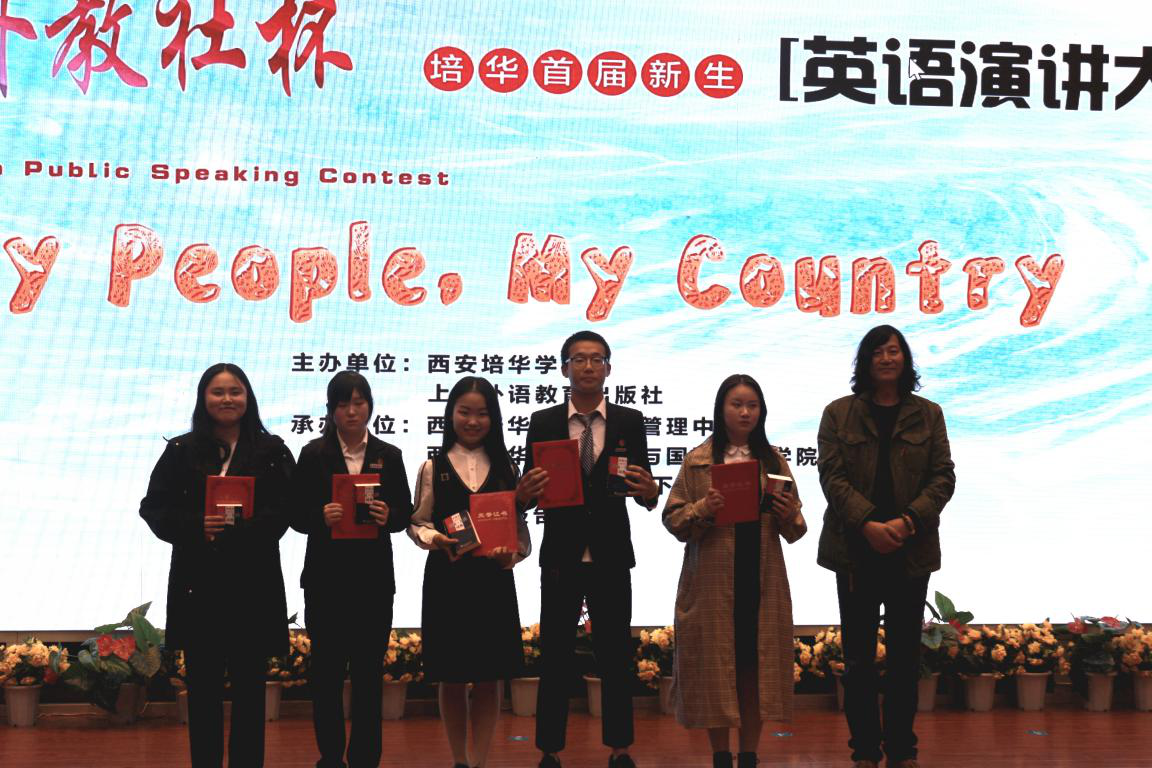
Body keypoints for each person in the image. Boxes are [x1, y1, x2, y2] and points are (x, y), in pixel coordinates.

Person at [140, 363, 295, 768]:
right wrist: (197, 526)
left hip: (253, 585)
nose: (227, 399)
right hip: (200, 587)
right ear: (203, 398)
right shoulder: (181, 450)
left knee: (250, 694)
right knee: (203, 693)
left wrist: (242, 530)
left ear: (248, 398)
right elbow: (153, 508)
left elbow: (287, 511)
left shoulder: (272, 450)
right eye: (218, 392)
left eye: (235, 391)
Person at [816, 325, 955, 768]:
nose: (887, 358)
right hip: (855, 552)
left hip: (909, 552)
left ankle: (901, 750)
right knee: (858, 661)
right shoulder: (838, 414)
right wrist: (868, 524)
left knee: (904, 660)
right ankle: (863, 752)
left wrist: (907, 520)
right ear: (865, 361)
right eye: (878, 352)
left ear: (905, 359)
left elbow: (943, 477)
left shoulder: (928, 414)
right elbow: (831, 477)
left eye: (894, 351)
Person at [521, 330, 661, 768]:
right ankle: (549, 750)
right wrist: (524, 493)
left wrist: (651, 491)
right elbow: (528, 490)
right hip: (560, 555)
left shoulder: (629, 421)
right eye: (578, 359)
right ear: (564, 368)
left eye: (596, 359)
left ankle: (620, 748)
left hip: (611, 553)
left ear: (608, 368)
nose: (587, 366)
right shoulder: (543, 421)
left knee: (616, 653)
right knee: (555, 655)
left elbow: (644, 488)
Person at [662, 374, 806, 768]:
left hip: (760, 581)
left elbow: (797, 530)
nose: (745, 412)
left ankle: (750, 755)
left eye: (752, 406)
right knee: (715, 671)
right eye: (736, 404)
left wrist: (789, 514)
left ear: (762, 412)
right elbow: (673, 520)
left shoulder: (773, 461)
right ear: (720, 409)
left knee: (754, 671)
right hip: (711, 582)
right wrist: (703, 509)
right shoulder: (698, 461)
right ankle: (721, 755)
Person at [289, 371, 414, 768]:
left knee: (367, 675)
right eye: (343, 404)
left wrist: (388, 514)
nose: (352, 411)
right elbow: (295, 515)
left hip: (373, 582)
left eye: (359, 403)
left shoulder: (389, 455)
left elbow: (405, 513)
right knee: (326, 675)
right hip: (325, 581)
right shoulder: (313, 454)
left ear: (370, 407)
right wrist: (319, 515)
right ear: (331, 410)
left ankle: (365, 757)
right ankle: (329, 756)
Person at [408, 376, 534, 768]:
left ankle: (479, 760)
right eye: (464, 412)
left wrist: (513, 555)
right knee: (451, 676)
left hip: (492, 581)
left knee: (489, 677)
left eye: (482, 413)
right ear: (451, 415)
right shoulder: (433, 467)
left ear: (494, 418)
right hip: (447, 580)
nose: (473, 421)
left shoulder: (507, 467)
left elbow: (520, 529)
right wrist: (435, 539)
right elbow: (417, 521)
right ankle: (459, 759)